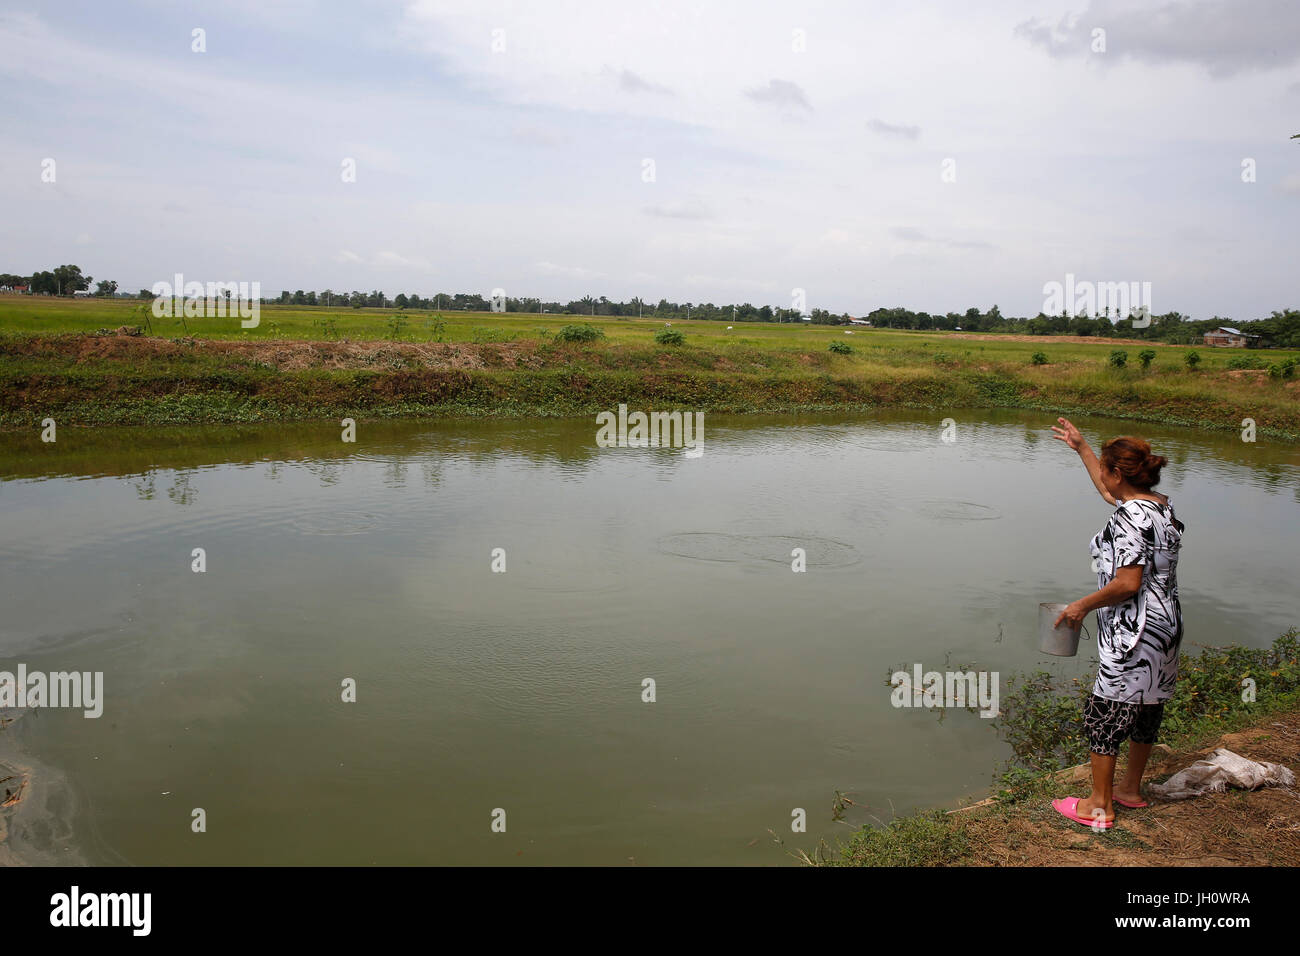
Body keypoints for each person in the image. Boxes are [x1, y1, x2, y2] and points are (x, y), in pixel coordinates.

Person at [1048, 418, 1185, 829]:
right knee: (1147, 708)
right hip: (1167, 627)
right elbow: (1113, 494)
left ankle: (1098, 806)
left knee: (1104, 714)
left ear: (1118, 472)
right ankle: (1129, 790)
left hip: (1134, 631)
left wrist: (1081, 607)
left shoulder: (1129, 518)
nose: (1103, 478)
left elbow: (1127, 583)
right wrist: (1082, 448)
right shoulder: (1159, 507)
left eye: (1106, 467)